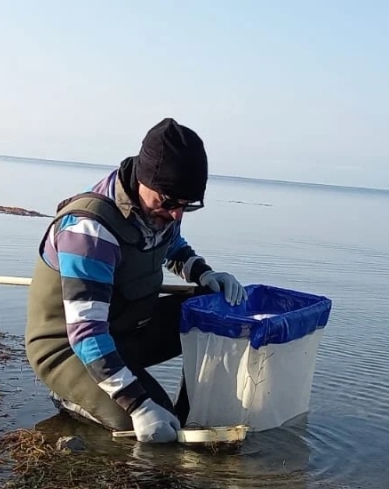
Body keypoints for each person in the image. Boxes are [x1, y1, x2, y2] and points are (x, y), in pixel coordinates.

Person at [25, 117, 247, 443]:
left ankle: (184, 402)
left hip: (125, 330)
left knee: (207, 311)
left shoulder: (160, 207)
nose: (176, 215)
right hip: (68, 349)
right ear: (143, 180)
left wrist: (204, 273)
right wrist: (139, 404)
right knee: (163, 431)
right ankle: (73, 399)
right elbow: (87, 334)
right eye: (169, 203)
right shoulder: (89, 231)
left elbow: (172, 246)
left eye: (188, 206)